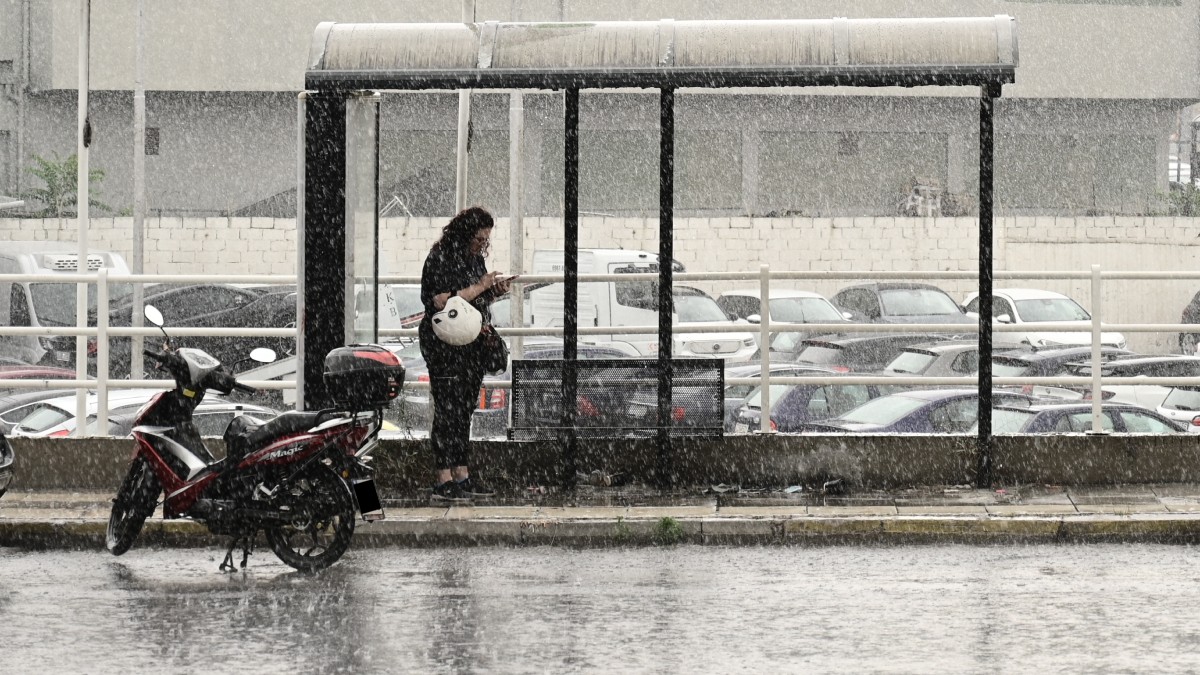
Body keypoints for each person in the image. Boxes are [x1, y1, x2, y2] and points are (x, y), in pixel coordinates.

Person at [419, 206, 514, 502]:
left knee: (464, 409)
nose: (482, 246)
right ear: (464, 234)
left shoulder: (475, 259)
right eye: (479, 240)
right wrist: (480, 285)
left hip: (471, 342)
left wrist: (494, 290)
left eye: (486, 241)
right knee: (447, 408)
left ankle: (462, 473)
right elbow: (440, 300)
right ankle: (443, 476)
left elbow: (476, 297)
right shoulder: (440, 257)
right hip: (445, 344)